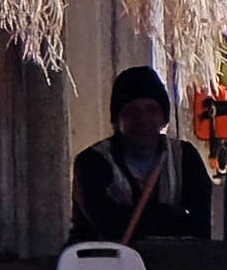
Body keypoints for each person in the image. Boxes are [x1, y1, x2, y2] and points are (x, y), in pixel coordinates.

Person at [67, 64, 214, 244]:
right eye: (132, 111)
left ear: (163, 118)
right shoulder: (92, 162)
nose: (142, 119)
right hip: (101, 260)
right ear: (117, 120)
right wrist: (169, 216)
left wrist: (150, 219)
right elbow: (110, 226)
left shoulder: (183, 156)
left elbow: (206, 219)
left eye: (151, 110)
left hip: (169, 260)